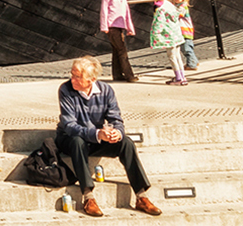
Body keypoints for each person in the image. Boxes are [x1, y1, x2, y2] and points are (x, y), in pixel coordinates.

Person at [57, 55, 163, 217]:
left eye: (77, 77)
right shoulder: (65, 90)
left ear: (91, 80)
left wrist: (116, 133)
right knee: (77, 141)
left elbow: (116, 119)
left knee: (126, 142)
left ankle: (141, 195)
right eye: (72, 74)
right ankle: (88, 196)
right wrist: (97, 133)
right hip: (70, 138)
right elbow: (70, 126)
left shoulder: (106, 91)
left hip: (96, 138)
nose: (73, 79)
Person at [98, 0, 137, 83]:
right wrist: (104, 26)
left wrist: (130, 28)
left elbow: (126, 12)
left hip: (121, 25)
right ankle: (129, 75)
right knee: (122, 51)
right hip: (112, 26)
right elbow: (104, 11)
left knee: (116, 51)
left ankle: (117, 74)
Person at [148, 0, 186, 85]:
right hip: (176, 34)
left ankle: (178, 78)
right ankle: (183, 77)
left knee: (172, 56)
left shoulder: (160, 8)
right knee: (177, 56)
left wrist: (156, 35)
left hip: (169, 36)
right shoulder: (169, 4)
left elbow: (159, 23)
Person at [170, 0, 198, 71]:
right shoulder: (177, 6)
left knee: (186, 48)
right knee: (186, 47)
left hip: (185, 31)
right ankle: (194, 61)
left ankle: (192, 64)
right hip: (181, 31)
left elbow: (178, 14)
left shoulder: (183, 7)